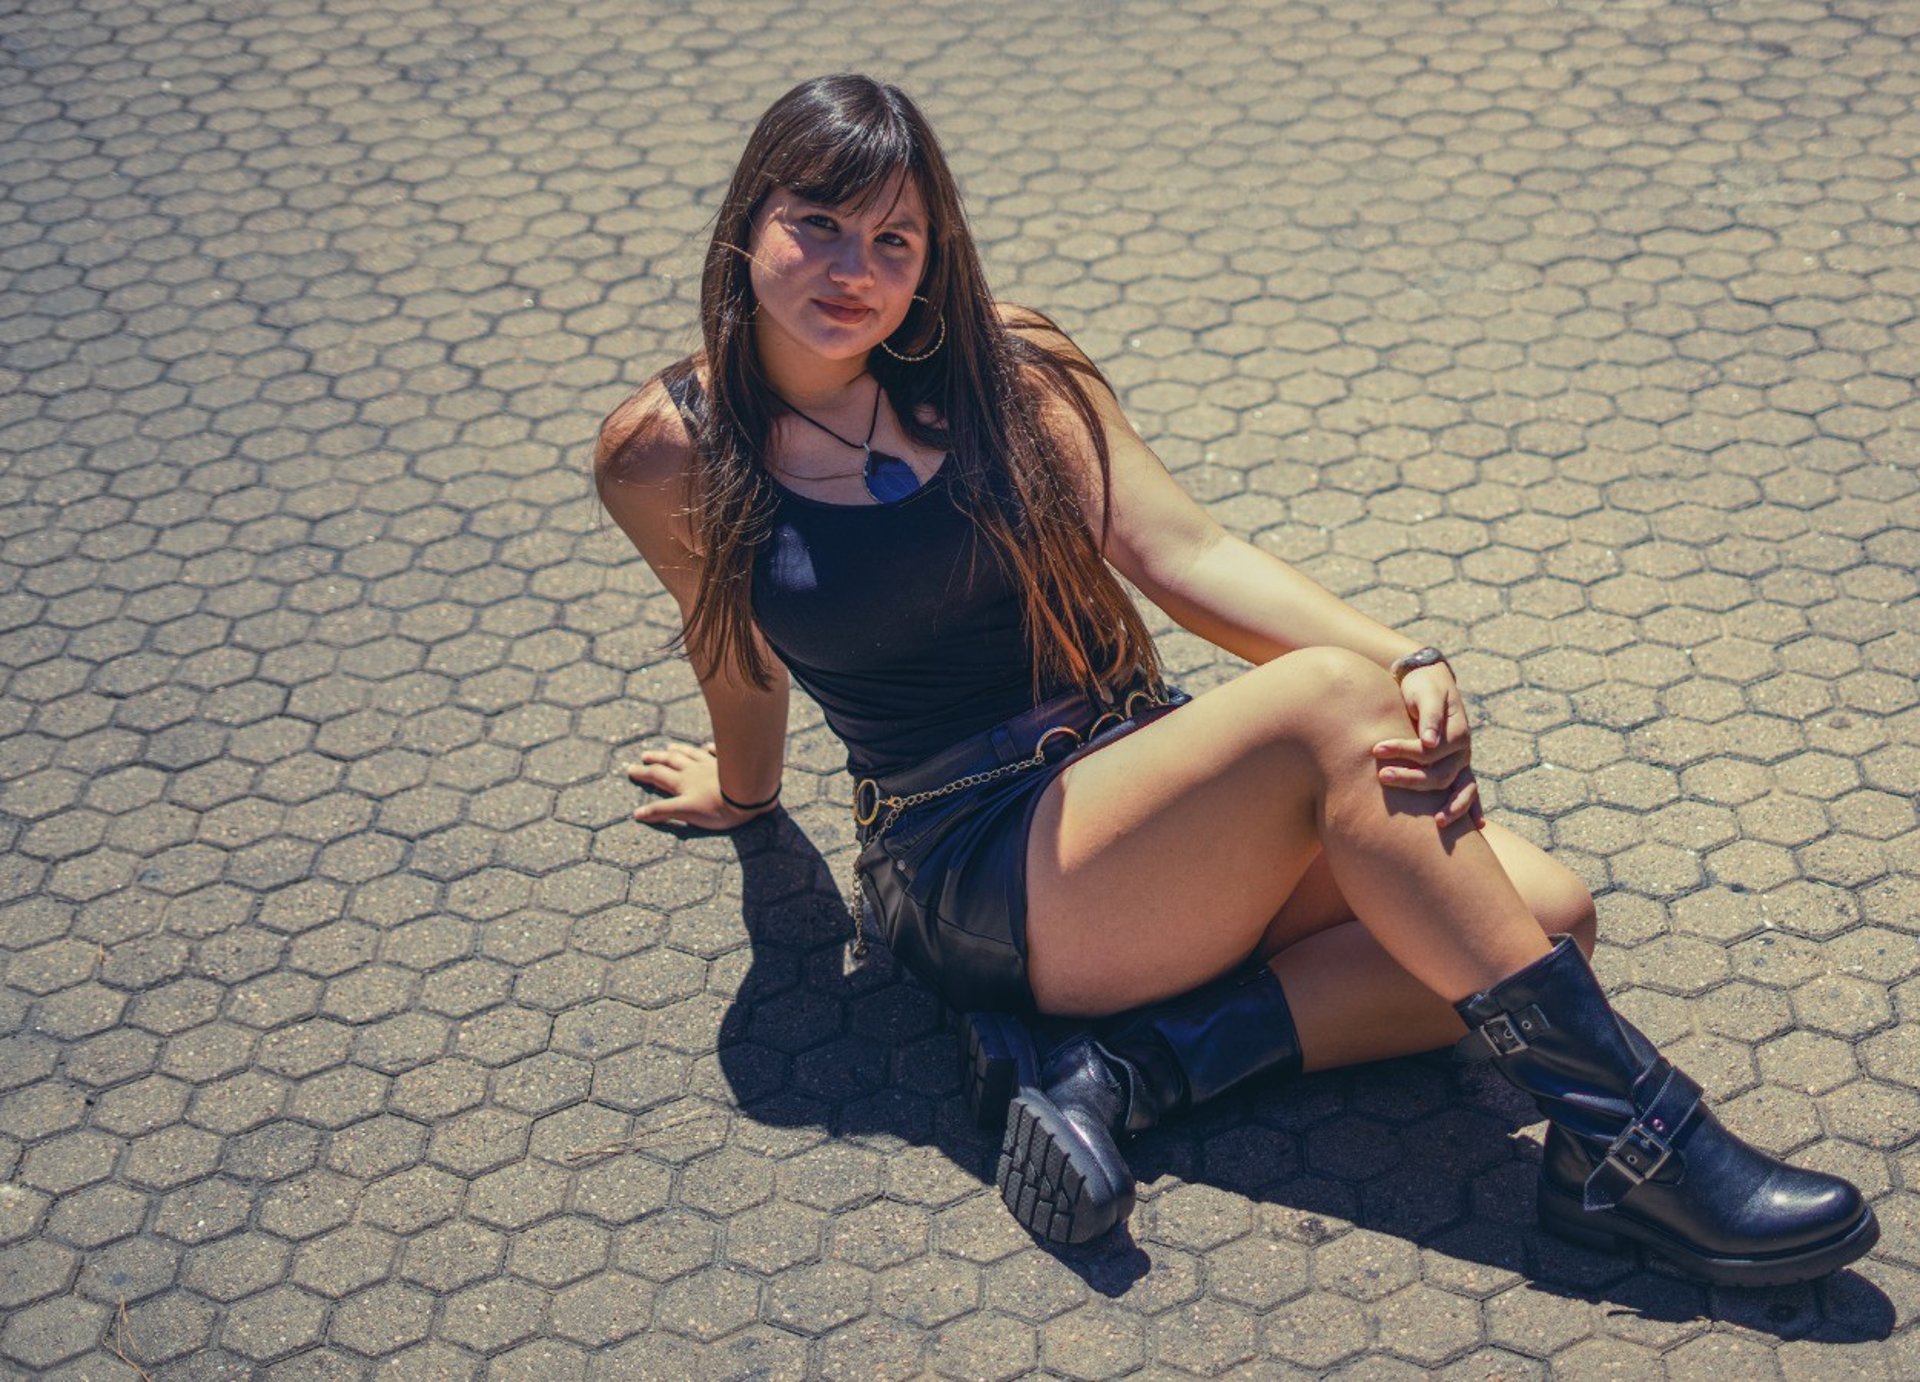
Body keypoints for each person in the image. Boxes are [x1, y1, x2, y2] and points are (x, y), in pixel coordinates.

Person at [594, 74, 1877, 1286]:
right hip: (972, 857)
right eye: (817, 225)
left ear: (933, 258)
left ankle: (1121, 1070)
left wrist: (1407, 654)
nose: (853, 271)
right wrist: (748, 798)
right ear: (747, 222)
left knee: (1549, 918)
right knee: (1332, 709)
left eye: (894, 240)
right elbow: (732, 653)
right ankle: (1636, 1148)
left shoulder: (1010, 367)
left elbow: (1186, 552)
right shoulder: (668, 450)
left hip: (1134, 790)